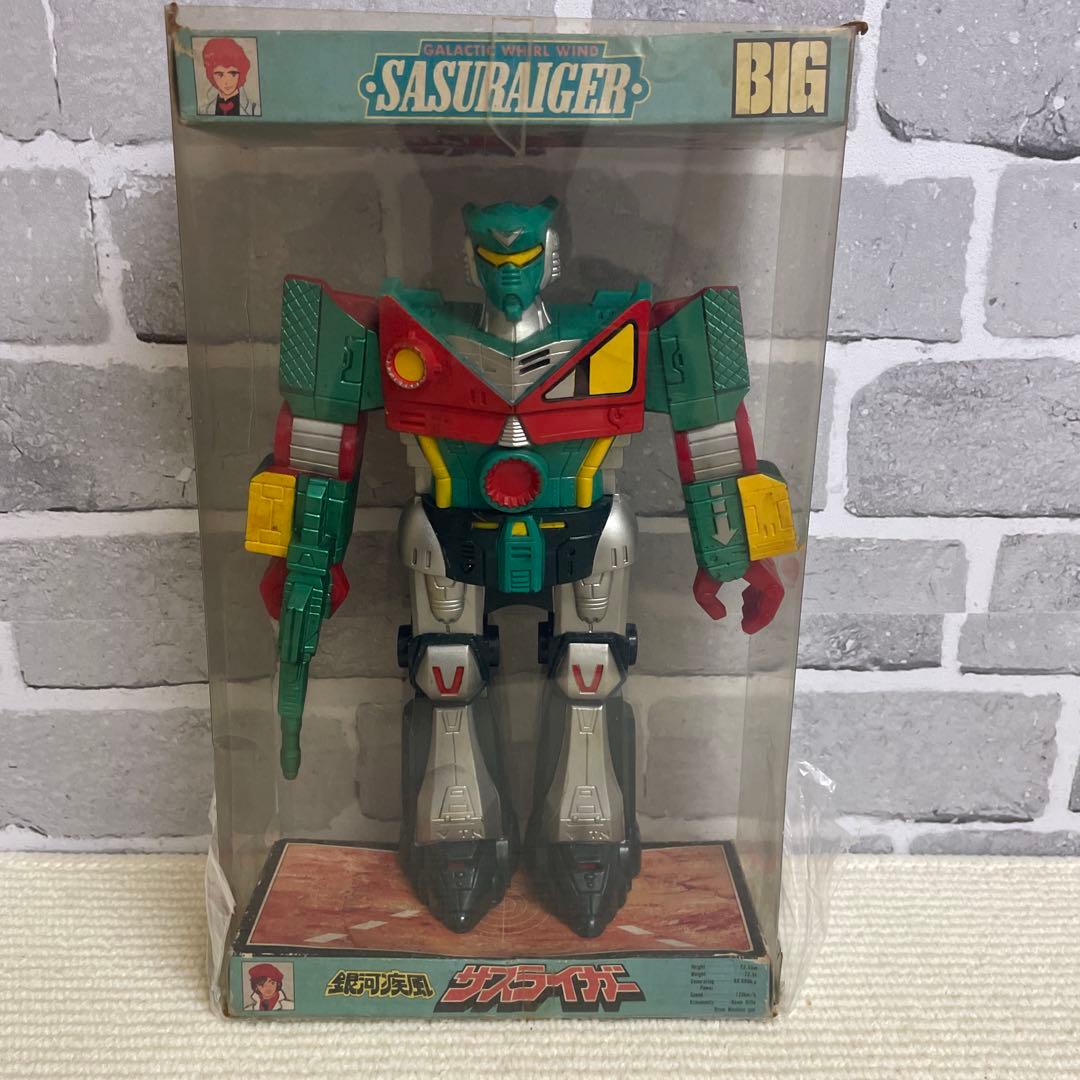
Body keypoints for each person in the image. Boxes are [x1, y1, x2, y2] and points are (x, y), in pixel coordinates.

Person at [199, 38, 260, 117]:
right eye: (220, 75)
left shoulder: (255, 110)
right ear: (211, 76)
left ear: (241, 73)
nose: (227, 82)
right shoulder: (203, 111)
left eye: (233, 74)